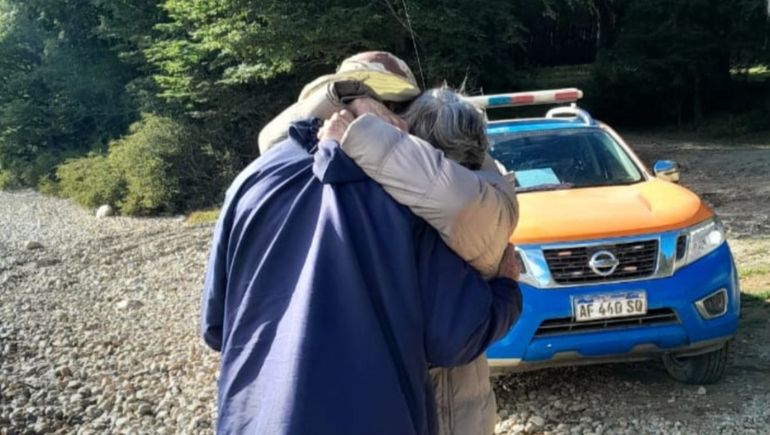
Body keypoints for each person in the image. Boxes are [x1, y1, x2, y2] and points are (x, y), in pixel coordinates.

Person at [201, 108, 522, 433]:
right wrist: (507, 292)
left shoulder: (250, 181)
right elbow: (453, 337)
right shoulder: (407, 202)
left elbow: (216, 328)